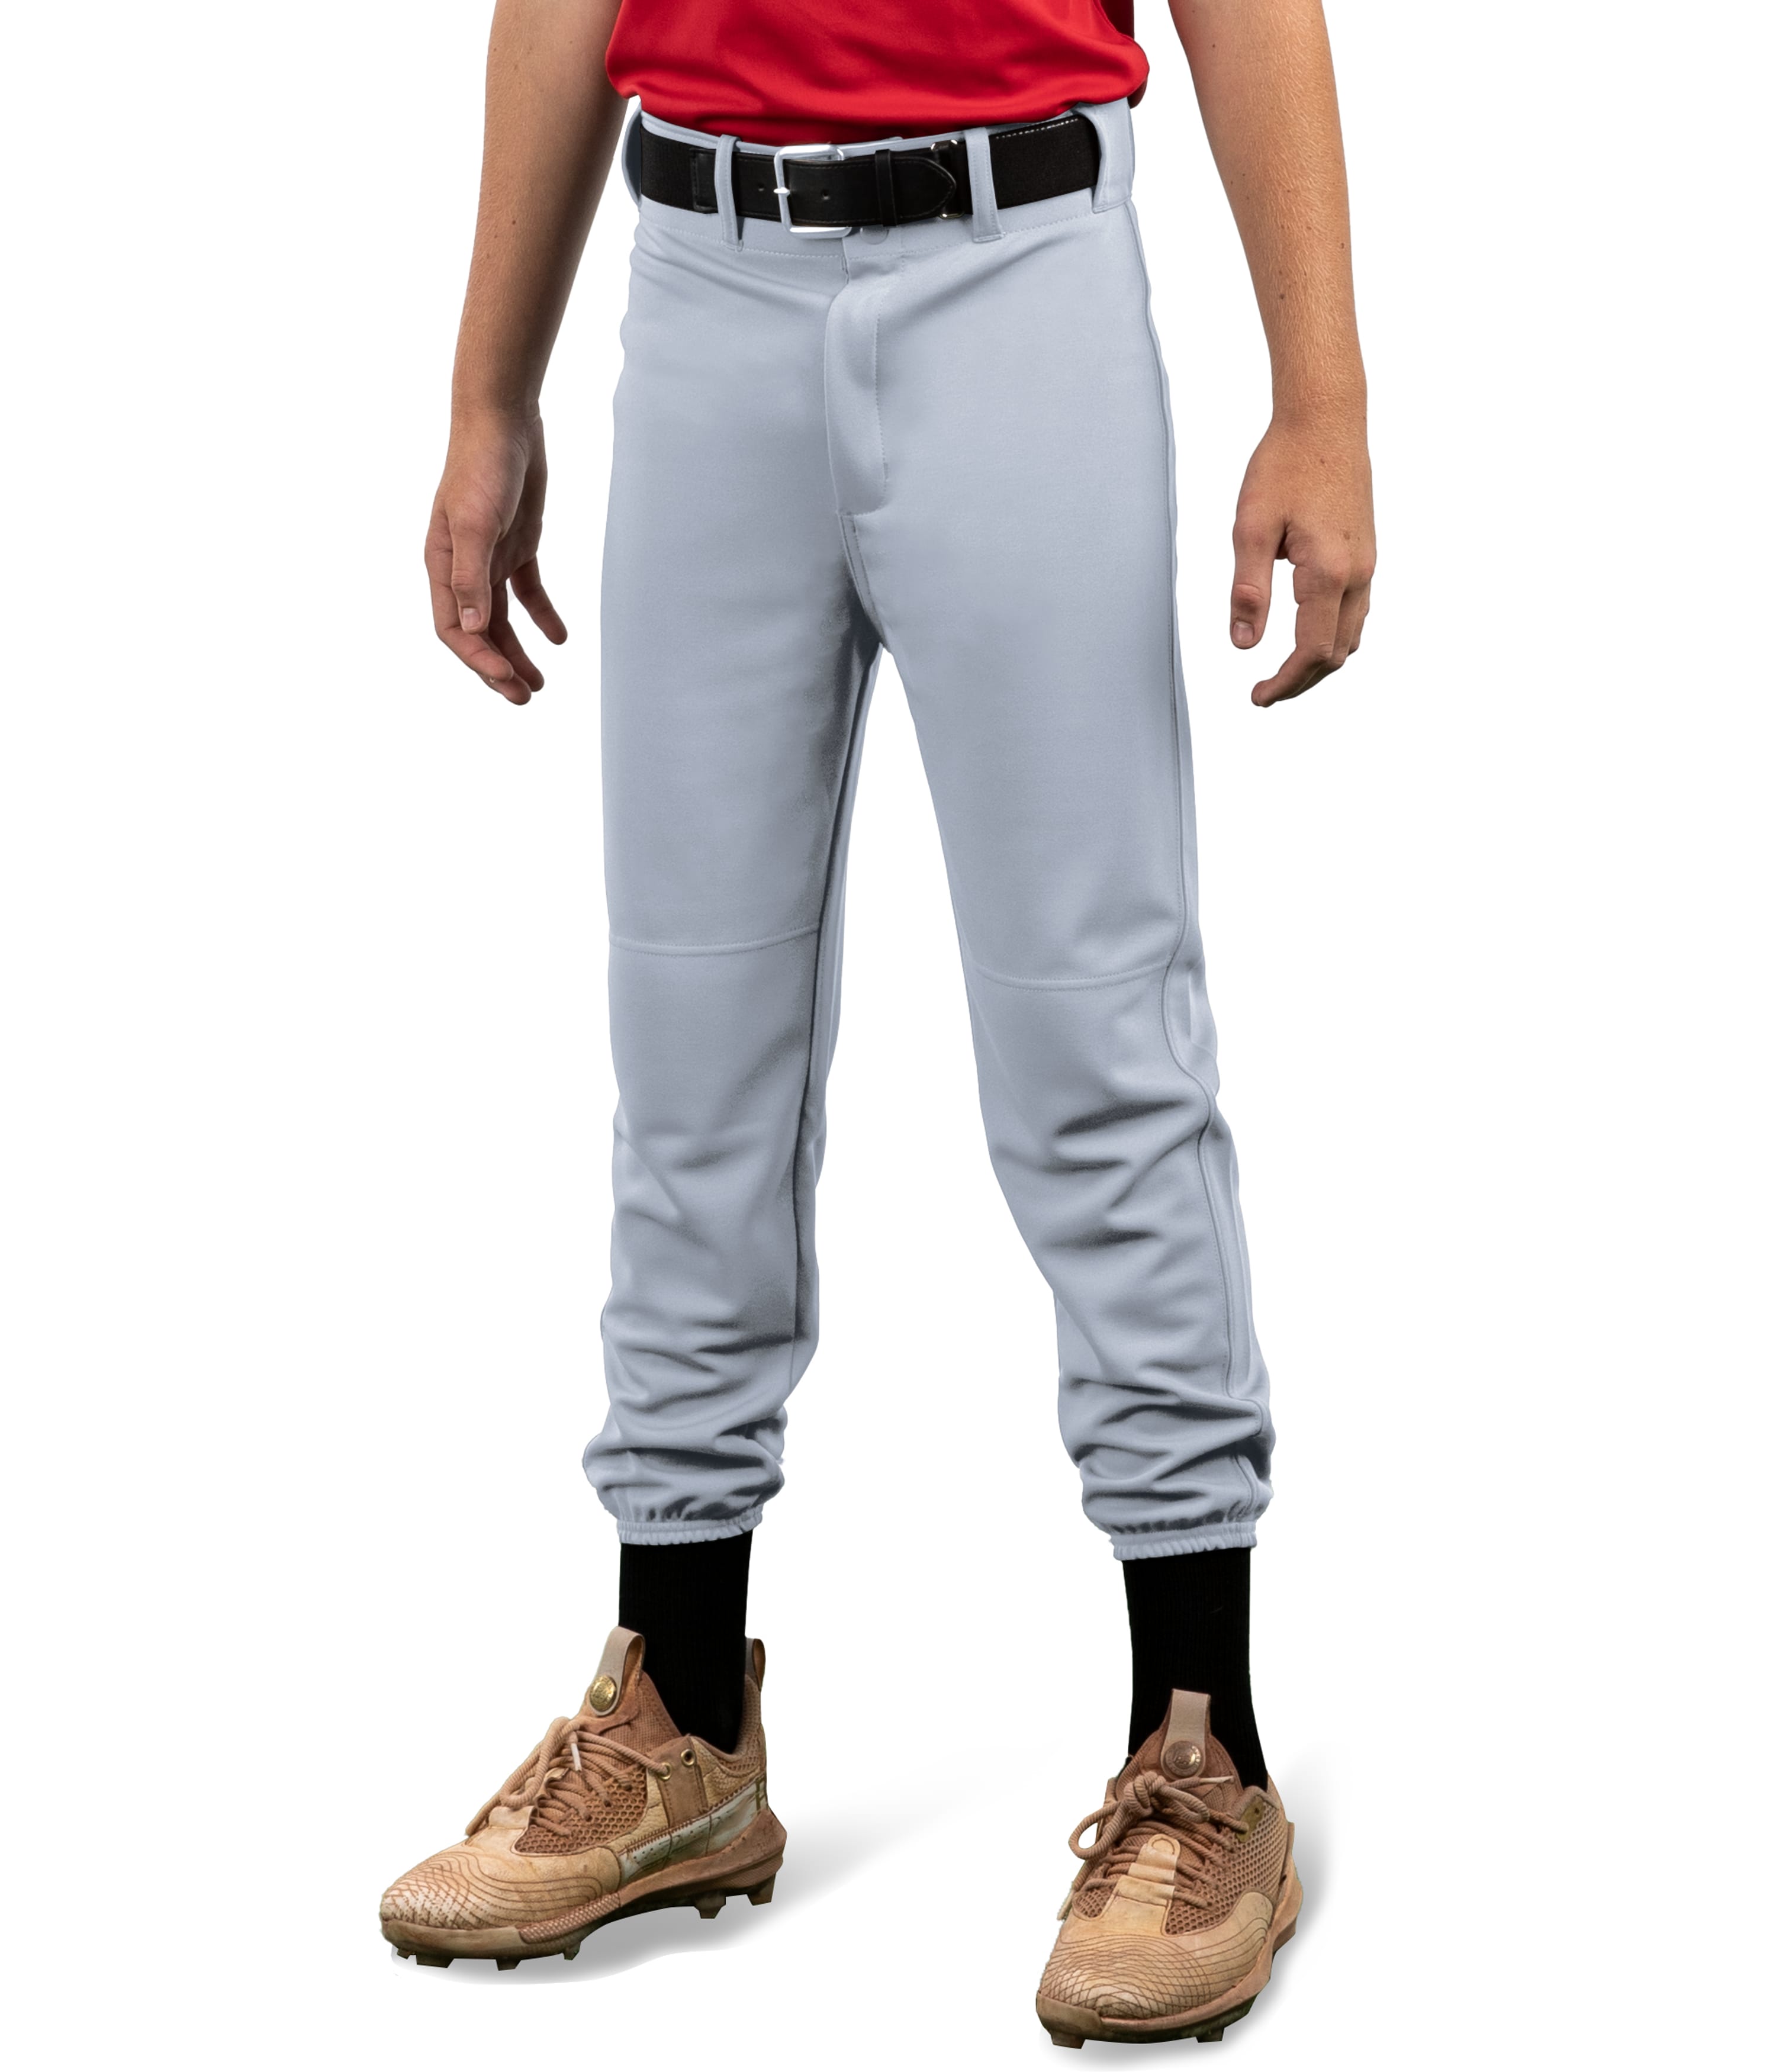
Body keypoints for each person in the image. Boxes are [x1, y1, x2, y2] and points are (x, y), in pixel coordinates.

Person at [379, 0, 1373, 2043]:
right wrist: (488, 385)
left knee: (1095, 1031)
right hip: (698, 280)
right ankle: (678, 1715)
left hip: (1016, 274)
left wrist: (1324, 392)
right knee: (692, 1038)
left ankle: (1204, 1744)